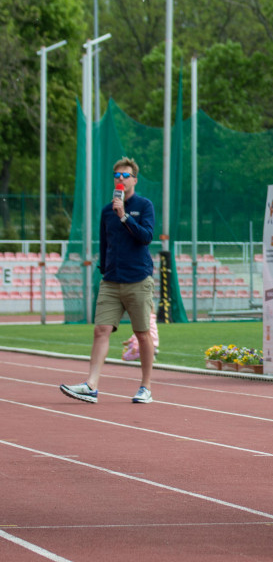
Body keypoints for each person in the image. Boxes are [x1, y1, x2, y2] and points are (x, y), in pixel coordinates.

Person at [60, 157, 156, 405]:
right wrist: (104, 270)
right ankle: (91, 385)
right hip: (111, 280)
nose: (120, 179)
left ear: (135, 179)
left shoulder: (144, 206)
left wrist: (124, 216)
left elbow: (146, 237)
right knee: (100, 330)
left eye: (125, 176)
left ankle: (145, 387)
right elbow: (104, 243)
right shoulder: (106, 210)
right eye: (117, 175)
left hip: (138, 279)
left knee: (142, 334)